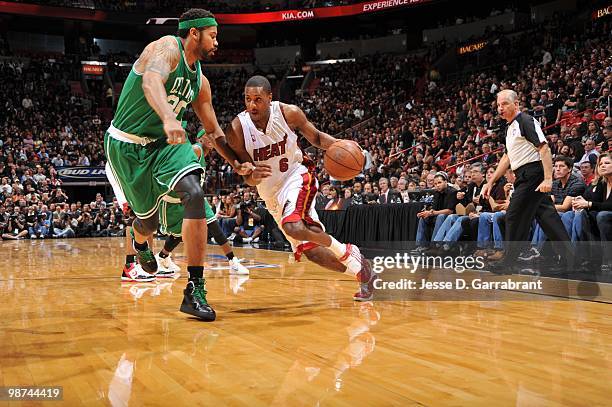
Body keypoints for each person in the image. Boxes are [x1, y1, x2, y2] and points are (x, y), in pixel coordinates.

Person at [103, 8, 260, 321]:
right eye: (213, 35)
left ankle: (195, 288)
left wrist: (237, 163)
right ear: (194, 33)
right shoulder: (166, 48)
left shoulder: (200, 82)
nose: (218, 42)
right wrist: (168, 116)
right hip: (127, 146)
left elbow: (213, 131)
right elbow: (151, 83)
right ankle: (139, 239)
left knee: (195, 194)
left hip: (166, 145)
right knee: (148, 224)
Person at [218, 75, 376, 301]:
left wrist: (350, 149)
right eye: (248, 99)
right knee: (313, 252)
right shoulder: (237, 129)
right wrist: (251, 174)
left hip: (297, 176)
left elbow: (318, 139)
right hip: (270, 194)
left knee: (292, 226)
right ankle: (363, 270)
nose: (252, 105)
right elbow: (249, 180)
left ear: (270, 98)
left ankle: (350, 252)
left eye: (258, 99)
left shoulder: (288, 113)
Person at [482, 89, 573, 272]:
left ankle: (508, 263)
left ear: (516, 104)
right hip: (524, 174)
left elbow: (544, 148)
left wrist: (548, 178)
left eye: (505, 104)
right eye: (498, 105)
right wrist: (491, 181)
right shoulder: (509, 127)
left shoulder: (525, 120)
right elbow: (507, 158)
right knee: (548, 218)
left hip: (532, 174)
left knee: (514, 215)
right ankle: (572, 260)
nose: (500, 108)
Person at [157, 134, 250, 275]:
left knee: (214, 225)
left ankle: (233, 261)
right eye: (207, 137)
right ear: (200, 139)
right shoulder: (196, 149)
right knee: (177, 234)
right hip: (175, 199)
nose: (211, 140)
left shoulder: (204, 156)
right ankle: (162, 257)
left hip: (194, 198)